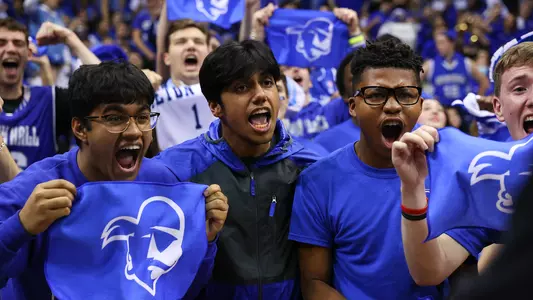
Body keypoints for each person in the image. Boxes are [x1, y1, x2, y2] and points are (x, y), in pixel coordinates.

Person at [0, 61, 228, 299]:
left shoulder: (163, 183)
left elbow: (182, 290)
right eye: (114, 118)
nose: (134, 131)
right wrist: (21, 225)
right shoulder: (37, 188)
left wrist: (205, 240)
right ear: (80, 128)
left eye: (142, 117)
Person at [155, 40, 320, 299]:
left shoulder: (312, 165)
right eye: (242, 87)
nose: (260, 95)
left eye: (267, 83)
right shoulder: (175, 170)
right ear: (215, 107)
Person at [288, 39, 446, 299]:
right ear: (352, 106)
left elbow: (466, 270)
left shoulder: (446, 170)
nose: (393, 105)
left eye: (406, 94)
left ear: (420, 104)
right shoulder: (317, 181)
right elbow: (314, 282)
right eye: (376, 94)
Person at [393, 39, 533, 287]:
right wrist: (412, 189)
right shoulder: (490, 180)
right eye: (520, 89)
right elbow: (429, 271)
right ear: (498, 109)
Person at [0, 18, 100, 169]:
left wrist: (69, 38)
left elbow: (110, 91)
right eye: (1, 43)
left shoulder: (50, 100)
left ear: (29, 53)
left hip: (38, 192)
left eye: (18, 43)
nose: (11, 49)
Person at [150, 18, 216, 151]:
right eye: (181, 42)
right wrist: (138, 82)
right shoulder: (152, 95)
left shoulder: (225, 90)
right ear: (166, 58)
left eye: (198, 41)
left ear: (209, 53)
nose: (191, 46)